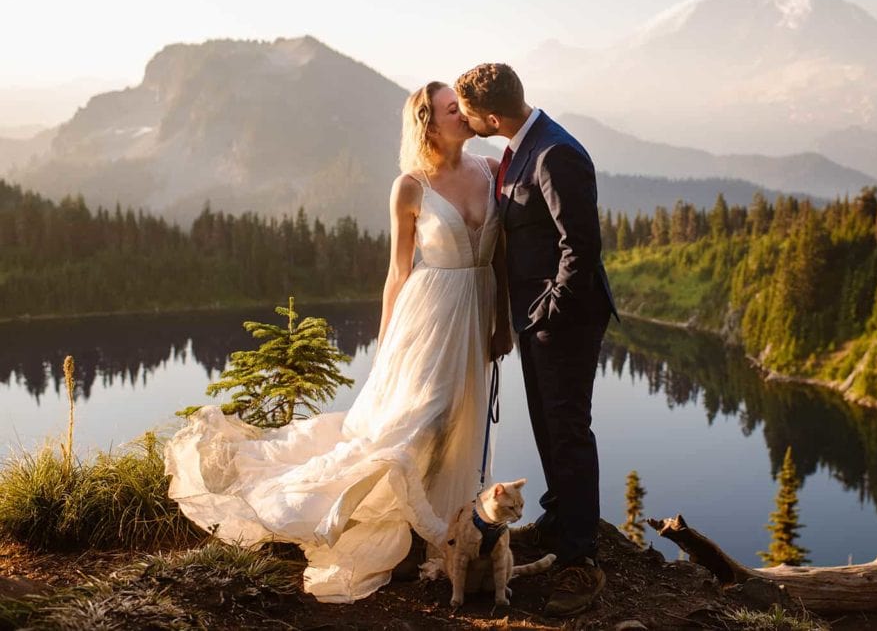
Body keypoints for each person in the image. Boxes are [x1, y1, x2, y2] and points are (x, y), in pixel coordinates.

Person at [164, 82, 514, 603]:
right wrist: (388, 340)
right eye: (450, 109)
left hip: (478, 307)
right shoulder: (410, 187)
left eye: (461, 108)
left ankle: (450, 533)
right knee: (425, 419)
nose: (462, 114)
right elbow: (397, 273)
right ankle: (408, 526)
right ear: (428, 123)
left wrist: (502, 321)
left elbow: (503, 254)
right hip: (429, 316)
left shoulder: (491, 170)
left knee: (463, 421)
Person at [455, 63, 618, 617]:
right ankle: (560, 518)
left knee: (568, 430)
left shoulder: (554, 153)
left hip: (563, 320)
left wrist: (549, 312)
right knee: (550, 426)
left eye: (469, 112)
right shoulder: (519, 146)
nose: (468, 120)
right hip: (536, 320)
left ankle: (581, 561)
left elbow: (582, 246)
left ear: (492, 115)